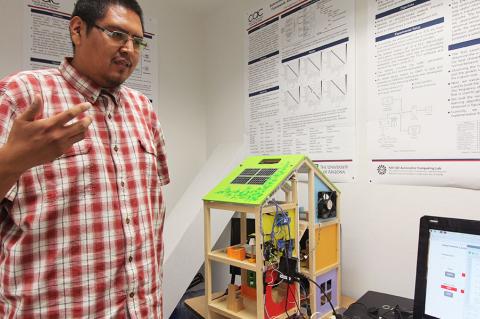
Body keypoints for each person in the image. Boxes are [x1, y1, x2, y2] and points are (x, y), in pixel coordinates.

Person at [0, 0, 170, 317]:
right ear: (78, 30)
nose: (130, 50)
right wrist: (9, 165)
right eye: (117, 34)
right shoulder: (20, 95)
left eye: (137, 41)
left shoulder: (142, 108)